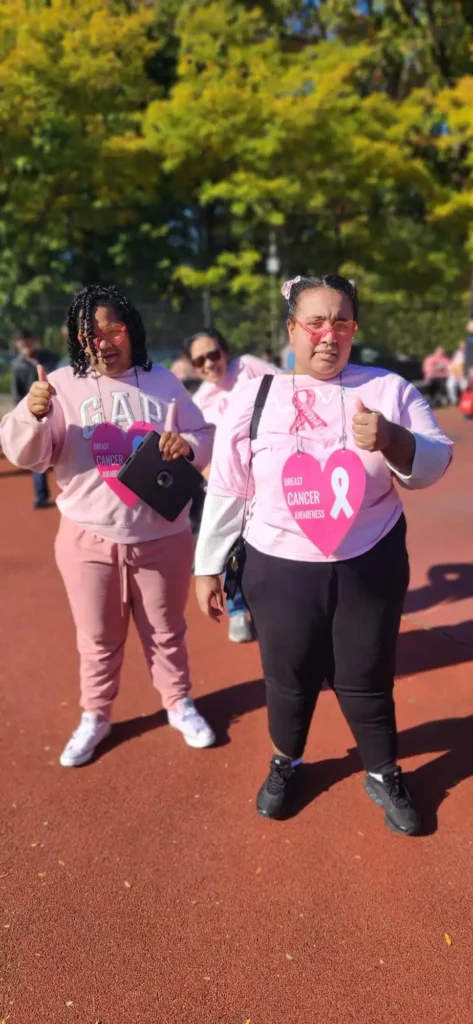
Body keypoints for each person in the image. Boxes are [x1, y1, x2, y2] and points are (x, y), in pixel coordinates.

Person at [194, 274, 453, 836]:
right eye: (314, 321)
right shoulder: (258, 394)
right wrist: (207, 564)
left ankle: (383, 772)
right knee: (288, 675)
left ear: (354, 328)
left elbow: (434, 461)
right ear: (293, 329)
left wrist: (392, 438)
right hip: (278, 565)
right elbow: (229, 485)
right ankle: (287, 763)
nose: (327, 334)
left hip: (369, 560)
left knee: (367, 673)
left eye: (341, 321)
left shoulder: (387, 389)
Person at [1, 284, 215, 766]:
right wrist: (34, 414)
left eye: (112, 328)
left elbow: (205, 435)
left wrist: (190, 447)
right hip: (86, 541)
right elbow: (26, 455)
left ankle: (178, 703)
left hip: (163, 537)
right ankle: (95, 716)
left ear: (131, 329)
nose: (103, 341)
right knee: (97, 641)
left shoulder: (162, 382)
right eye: (89, 333)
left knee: (167, 631)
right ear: (77, 339)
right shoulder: (58, 386)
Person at [185, 327, 279, 643]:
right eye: (200, 361)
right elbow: (201, 447)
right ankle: (238, 610)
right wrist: (209, 470)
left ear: (225, 351)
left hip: (270, 476)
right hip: (232, 487)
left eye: (214, 354)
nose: (210, 364)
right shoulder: (199, 401)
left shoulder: (250, 367)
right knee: (232, 549)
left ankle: (277, 609)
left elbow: (286, 388)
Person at [11, 328, 58, 508]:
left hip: (59, 410)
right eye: (22, 345)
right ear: (17, 346)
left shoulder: (50, 358)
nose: (26, 347)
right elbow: (17, 396)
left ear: (35, 340)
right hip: (36, 417)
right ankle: (41, 496)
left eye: (28, 343)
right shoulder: (18, 367)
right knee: (38, 456)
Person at [447, 341, 466, 405]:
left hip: (465, 373)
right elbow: (452, 364)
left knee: (464, 386)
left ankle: (465, 400)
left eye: (463, 344)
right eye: (461, 344)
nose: (462, 346)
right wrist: (452, 370)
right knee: (450, 385)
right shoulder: (457, 353)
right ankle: (454, 400)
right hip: (455, 373)